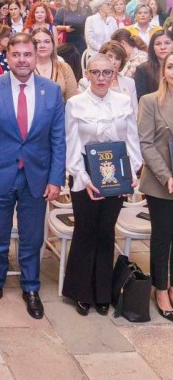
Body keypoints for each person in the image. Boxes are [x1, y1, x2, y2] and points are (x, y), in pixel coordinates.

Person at [0, 34, 65, 320]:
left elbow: (58, 139)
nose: (22, 60)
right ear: (7, 57)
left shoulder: (51, 91)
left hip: (36, 176)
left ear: (36, 56)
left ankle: (31, 287)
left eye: (27, 54)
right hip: (0, 174)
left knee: (32, 236)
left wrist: (55, 179)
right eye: (17, 54)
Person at [63, 55, 141, 316]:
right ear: (86, 74)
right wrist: (83, 178)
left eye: (106, 72)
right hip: (85, 172)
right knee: (86, 231)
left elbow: (132, 140)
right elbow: (71, 144)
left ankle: (103, 292)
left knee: (106, 232)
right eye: (95, 73)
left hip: (116, 174)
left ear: (114, 73)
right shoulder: (75, 104)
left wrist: (132, 172)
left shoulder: (123, 101)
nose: (101, 78)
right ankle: (82, 292)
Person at [138, 52, 173, 320]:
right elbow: (146, 144)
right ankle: (160, 289)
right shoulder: (150, 101)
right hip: (162, 183)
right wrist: (167, 176)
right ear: (163, 71)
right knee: (162, 238)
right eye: (171, 66)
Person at [31, 28, 77, 100]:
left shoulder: (64, 68)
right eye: (37, 42)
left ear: (53, 45)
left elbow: (72, 101)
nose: (42, 45)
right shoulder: (26, 69)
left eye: (47, 42)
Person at [134, 29, 173, 100]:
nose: (163, 47)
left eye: (167, 43)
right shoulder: (142, 69)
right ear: (152, 47)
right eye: (158, 44)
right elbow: (142, 99)